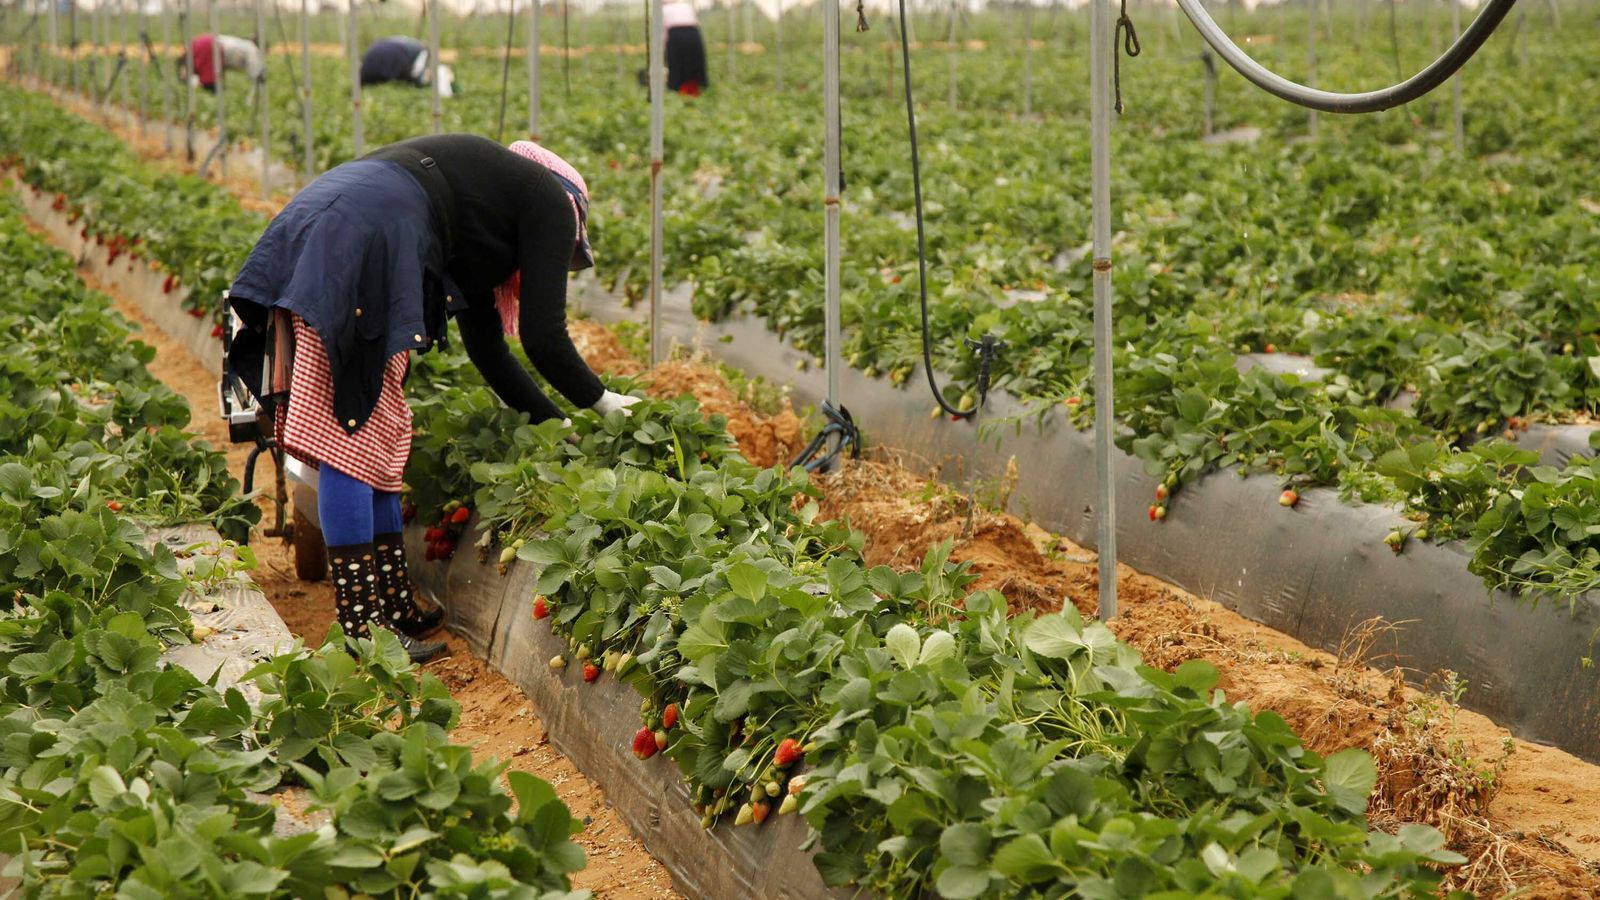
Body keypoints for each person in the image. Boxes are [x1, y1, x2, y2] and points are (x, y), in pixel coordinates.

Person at [226, 135, 640, 662]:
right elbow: (543, 337)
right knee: (350, 437)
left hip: (345, 223)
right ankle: (364, 628)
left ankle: (392, 603)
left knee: (377, 428)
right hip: (369, 235)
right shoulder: (550, 200)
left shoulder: (484, 212)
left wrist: (557, 425)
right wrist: (601, 402)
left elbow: (489, 351)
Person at [360, 36, 456, 98]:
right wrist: (423, 80)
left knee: (368, 82)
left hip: (371, 54)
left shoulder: (412, 44)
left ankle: (356, 93)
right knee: (401, 84)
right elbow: (417, 74)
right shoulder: (423, 52)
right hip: (395, 55)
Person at [178, 33, 265, 92]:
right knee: (210, 80)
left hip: (206, 42)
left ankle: (190, 83)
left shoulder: (245, 45)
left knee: (196, 70)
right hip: (211, 48)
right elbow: (255, 73)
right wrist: (258, 77)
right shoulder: (252, 49)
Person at [663, 0, 709, 96]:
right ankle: (695, 89)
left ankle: (678, 89)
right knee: (695, 61)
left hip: (675, 34)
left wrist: (664, 49)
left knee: (676, 63)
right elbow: (695, 22)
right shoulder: (685, 5)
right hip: (693, 33)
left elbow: (663, 31)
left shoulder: (664, 10)